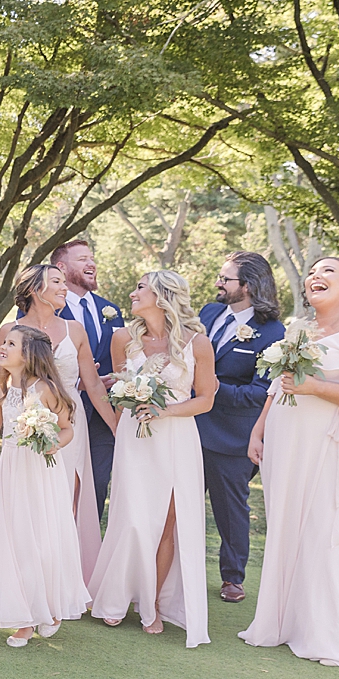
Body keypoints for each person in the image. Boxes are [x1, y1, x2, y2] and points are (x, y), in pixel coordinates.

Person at [241, 257, 339, 666]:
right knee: (292, 526)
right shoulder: (299, 328)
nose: (315, 277)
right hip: (290, 442)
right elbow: (280, 382)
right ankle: (289, 623)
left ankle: (329, 634)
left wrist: (316, 387)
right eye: (312, 272)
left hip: (333, 446)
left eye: (328, 272)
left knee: (327, 529)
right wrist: (259, 429)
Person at [88, 271, 216, 648]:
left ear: (162, 296)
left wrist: (165, 411)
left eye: (140, 287)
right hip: (135, 437)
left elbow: (206, 399)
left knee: (167, 523)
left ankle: (153, 604)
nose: (132, 292)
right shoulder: (123, 339)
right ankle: (114, 596)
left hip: (176, 436)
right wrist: (126, 406)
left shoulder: (198, 343)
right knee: (130, 518)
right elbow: (117, 389)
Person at [0, 325, 89, 648]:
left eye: (11, 344)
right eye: (3, 342)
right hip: (12, 471)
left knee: (43, 540)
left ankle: (48, 607)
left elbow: (67, 429)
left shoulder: (46, 388)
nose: (3, 347)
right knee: (16, 539)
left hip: (41, 472)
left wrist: (53, 444)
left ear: (29, 353)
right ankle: (23, 619)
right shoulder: (1, 392)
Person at [0, 265, 118, 584]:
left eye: (64, 282)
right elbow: (0, 382)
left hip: (67, 422)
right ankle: (25, 576)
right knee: (27, 501)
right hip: (24, 424)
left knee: (64, 500)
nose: (64, 288)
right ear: (36, 289)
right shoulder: (10, 329)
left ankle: (59, 580)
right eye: (57, 282)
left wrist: (117, 427)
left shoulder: (75, 330)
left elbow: (92, 385)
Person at [196, 252, 284, 604]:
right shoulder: (208, 313)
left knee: (231, 512)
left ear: (247, 287)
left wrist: (213, 389)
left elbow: (261, 392)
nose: (218, 283)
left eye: (225, 278)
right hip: (187, 426)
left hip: (231, 437)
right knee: (177, 502)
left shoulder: (272, 331)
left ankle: (233, 577)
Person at [53, 240, 125, 517]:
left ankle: (88, 550)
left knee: (97, 482)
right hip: (62, 410)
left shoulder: (110, 309)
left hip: (104, 411)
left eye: (92, 258)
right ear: (61, 267)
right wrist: (72, 379)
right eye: (82, 259)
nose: (91, 264)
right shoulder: (47, 310)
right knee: (63, 481)